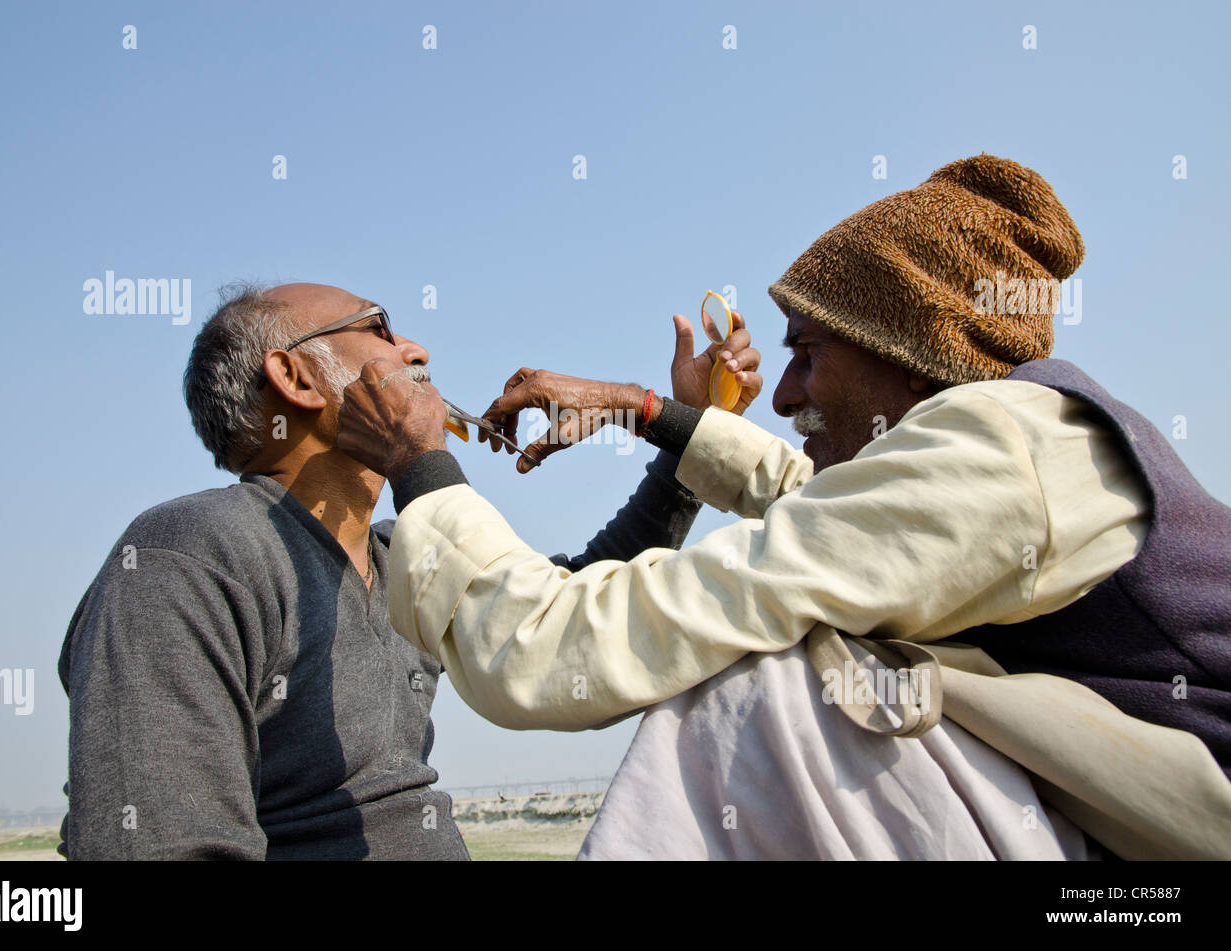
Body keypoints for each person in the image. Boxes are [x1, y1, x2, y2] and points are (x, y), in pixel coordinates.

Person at [335, 155, 1231, 860]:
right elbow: (827, 509)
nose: (785, 392)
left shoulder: (1003, 453)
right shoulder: (1008, 443)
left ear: (909, 352)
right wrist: (641, 408)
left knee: (770, 686)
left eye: (809, 353)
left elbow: (560, 649)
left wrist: (420, 461)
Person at [57, 280, 756, 859]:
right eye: (380, 328)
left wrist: (688, 434)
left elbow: (563, 612)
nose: (417, 348)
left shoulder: (400, 559)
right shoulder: (184, 556)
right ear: (294, 376)